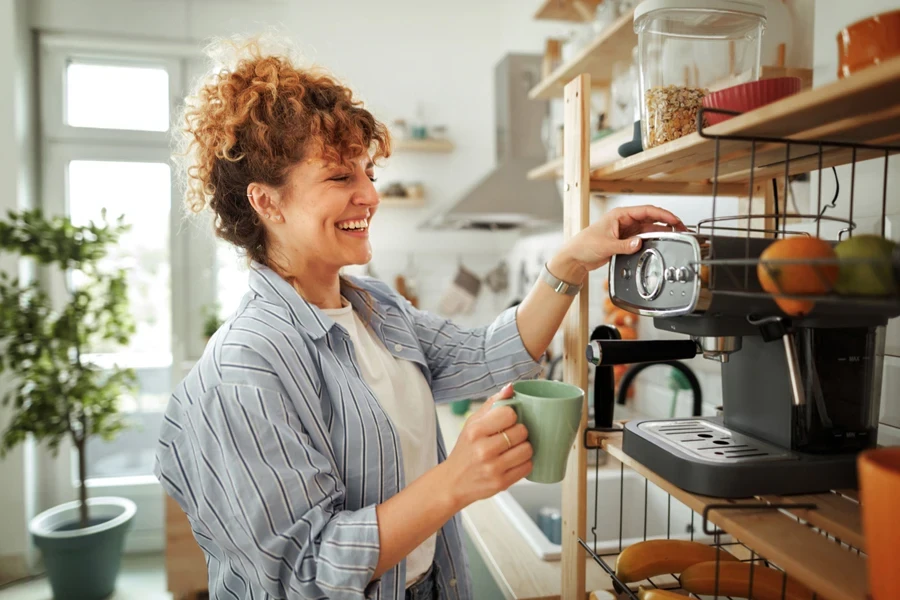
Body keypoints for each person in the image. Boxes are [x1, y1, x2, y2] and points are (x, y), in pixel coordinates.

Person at [155, 38, 685, 600]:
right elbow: (303, 574)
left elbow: (487, 356)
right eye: (340, 178)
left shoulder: (375, 308)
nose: (369, 196)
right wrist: (454, 482)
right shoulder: (247, 366)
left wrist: (572, 260)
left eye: (369, 174)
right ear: (268, 203)